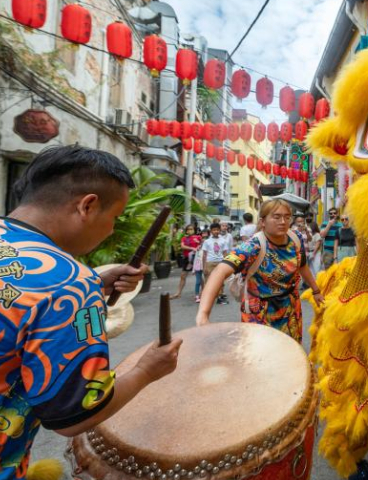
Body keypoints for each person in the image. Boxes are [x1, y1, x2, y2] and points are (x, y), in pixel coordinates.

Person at [0, 145, 182, 479]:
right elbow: (76, 414)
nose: (112, 230)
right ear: (88, 205)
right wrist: (146, 370)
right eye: (114, 218)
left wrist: (94, 284)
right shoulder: (71, 284)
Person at [196, 199, 324, 343]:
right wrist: (203, 315)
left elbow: (302, 265)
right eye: (276, 217)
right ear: (263, 221)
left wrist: (316, 290)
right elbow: (219, 271)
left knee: (290, 355)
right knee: (260, 358)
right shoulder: (253, 247)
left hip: (290, 309)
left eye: (287, 217)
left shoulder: (296, 239)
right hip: (259, 313)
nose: (283, 221)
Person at [201, 223, 230, 305]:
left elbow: (225, 254)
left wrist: (226, 265)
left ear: (220, 230)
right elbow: (204, 255)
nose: (216, 231)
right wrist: (204, 267)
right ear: (211, 231)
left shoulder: (223, 241)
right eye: (214, 230)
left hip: (220, 262)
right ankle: (208, 298)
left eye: (217, 230)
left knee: (220, 281)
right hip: (209, 262)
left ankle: (220, 297)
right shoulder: (207, 241)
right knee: (209, 280)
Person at [171, 225, 201, 301]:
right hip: (187, 259)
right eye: (189, 229)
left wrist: (198, 246)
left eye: (192, 229)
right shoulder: (184, 238)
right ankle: (178, 293)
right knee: (183, 276)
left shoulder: (198, 237)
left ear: (194, 230)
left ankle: (204, 293)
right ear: (186, 231)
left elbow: (202, 245)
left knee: (199, 277)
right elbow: (182, 246)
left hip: (196, 259)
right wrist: (192, 248)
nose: (190, 231)